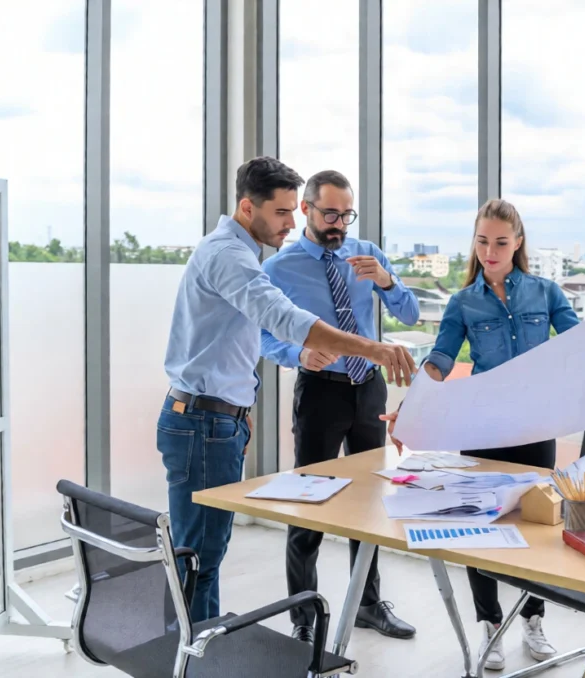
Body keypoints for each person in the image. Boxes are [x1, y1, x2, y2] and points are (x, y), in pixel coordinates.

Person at [380, 198, 585, 672]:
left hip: (534, 427)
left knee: (535, 527)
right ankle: (490, 626)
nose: (490, 251)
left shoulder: (545, 291)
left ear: (518, 242)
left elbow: (580, 346)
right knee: (481, 530)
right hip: (480, 429)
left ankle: (532, 619)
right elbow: (439, 359)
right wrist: (411, 406)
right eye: (482, 241)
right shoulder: (463, 301)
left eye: (501, 242)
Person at [159, 157, 416, 624]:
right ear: (246, 207)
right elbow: (280, 323)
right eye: (283, 213)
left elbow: (234, 339)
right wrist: (356, 349)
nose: (290, 223)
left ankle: (364, 605)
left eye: (346, 215)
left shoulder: (356, 253)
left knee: (205, 553)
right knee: (203, 551)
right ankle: (210, 647)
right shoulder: (239, 259)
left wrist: (239, 404)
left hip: (239, 413)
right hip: (270, 403)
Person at [261, 170, 419, 642]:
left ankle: (368, 604)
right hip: (320, 391)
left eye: (346, 214)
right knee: (306, 502)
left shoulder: (367, 254)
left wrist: (388, 282)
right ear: (306, 209)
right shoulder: (279, 269)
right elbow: (262, 337)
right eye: (330, 213)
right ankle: (302, 618)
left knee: (368, 499)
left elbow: (409, 313)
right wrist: (298, 353)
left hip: (368, 387)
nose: (339, 224)